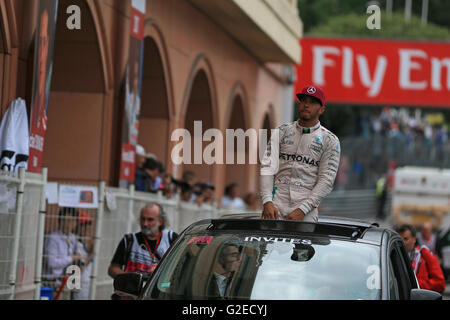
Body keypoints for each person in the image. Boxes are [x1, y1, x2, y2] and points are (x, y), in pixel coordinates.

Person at [260, 85, 341, 222]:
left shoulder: (330, 140)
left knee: (302, 244)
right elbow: (267, 167)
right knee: (265, 243)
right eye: (303, 100)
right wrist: (267, 201)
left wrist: (303, 209)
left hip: (305, 209)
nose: (306, 105)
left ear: (321, 109)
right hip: (275, 204)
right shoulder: (281, 131)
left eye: (313, 102)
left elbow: (326, 180)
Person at [108, 203, 178, 279]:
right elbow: (113, 269)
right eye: (143, 219)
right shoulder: (129, 240)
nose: (145, 223)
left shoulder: (171, 239)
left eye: (150, 220)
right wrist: (129, 278)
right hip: (133, 290)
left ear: (160, 221)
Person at [42, 207, 87, 299]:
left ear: (75, 223)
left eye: (71, 221)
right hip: (52, 283)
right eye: (64, 220)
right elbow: (52, 262)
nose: (67, 224)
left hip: (66, 282)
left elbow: (82, 256)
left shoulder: (73, 238)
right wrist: (72, 258)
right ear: (59, 221)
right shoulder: (53, 238)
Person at [396, 224, 445, 293]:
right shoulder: (392, 254)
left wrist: (415, 284)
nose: (401, 242)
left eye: (405, 239)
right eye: (399, 239)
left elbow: (440, 283)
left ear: (414, 239)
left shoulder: (424, 254)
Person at [71, 211, 94, 300]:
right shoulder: (75, 242)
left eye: (88, 225)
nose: (86, 228)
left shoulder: (85, 242)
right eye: (83, 225)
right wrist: (91, 254)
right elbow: (81, 267)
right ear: (78, 226)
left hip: (87, 282)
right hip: (79, 283)